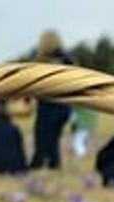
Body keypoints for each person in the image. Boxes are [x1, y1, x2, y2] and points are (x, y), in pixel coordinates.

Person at [30, 31, 72, 170]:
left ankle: (38, 163)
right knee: (53, 138)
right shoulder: (68, 60)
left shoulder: (42, 62)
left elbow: (35, 84)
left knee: (41, 136)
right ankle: (54, 164)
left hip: (48, 106)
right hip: (64, 107)